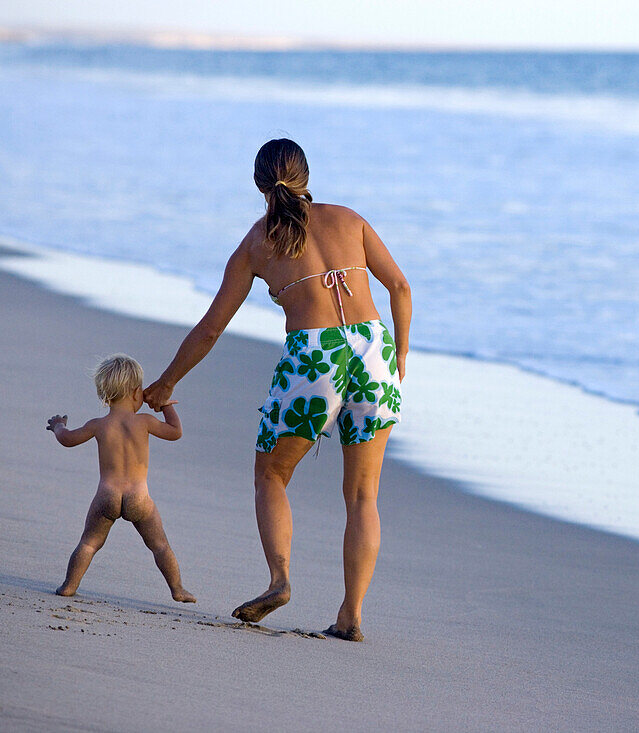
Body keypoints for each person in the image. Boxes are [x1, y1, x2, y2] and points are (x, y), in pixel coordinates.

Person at [143, 138, 411, 642]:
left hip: (315, 356)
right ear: (308, 176)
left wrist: (167, 382)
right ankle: (351, 615)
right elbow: (400, 288)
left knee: (271, 474)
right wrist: (399, 357)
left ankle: (280, 580)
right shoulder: (349, 218)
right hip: (374, 349)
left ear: (258, 184)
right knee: (362, 496)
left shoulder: (257, 243)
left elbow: (209, 330)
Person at [46, 353, 195, 603]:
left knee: (89, 543)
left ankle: (69, 586)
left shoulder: (98, 425)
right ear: (138, 392)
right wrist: (165, 403)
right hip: (139, 497)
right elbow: (175, 432)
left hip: (107, 495)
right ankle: (178, 589)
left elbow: (67, 439)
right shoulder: (145, 422)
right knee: (159, 546)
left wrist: (58, 425)